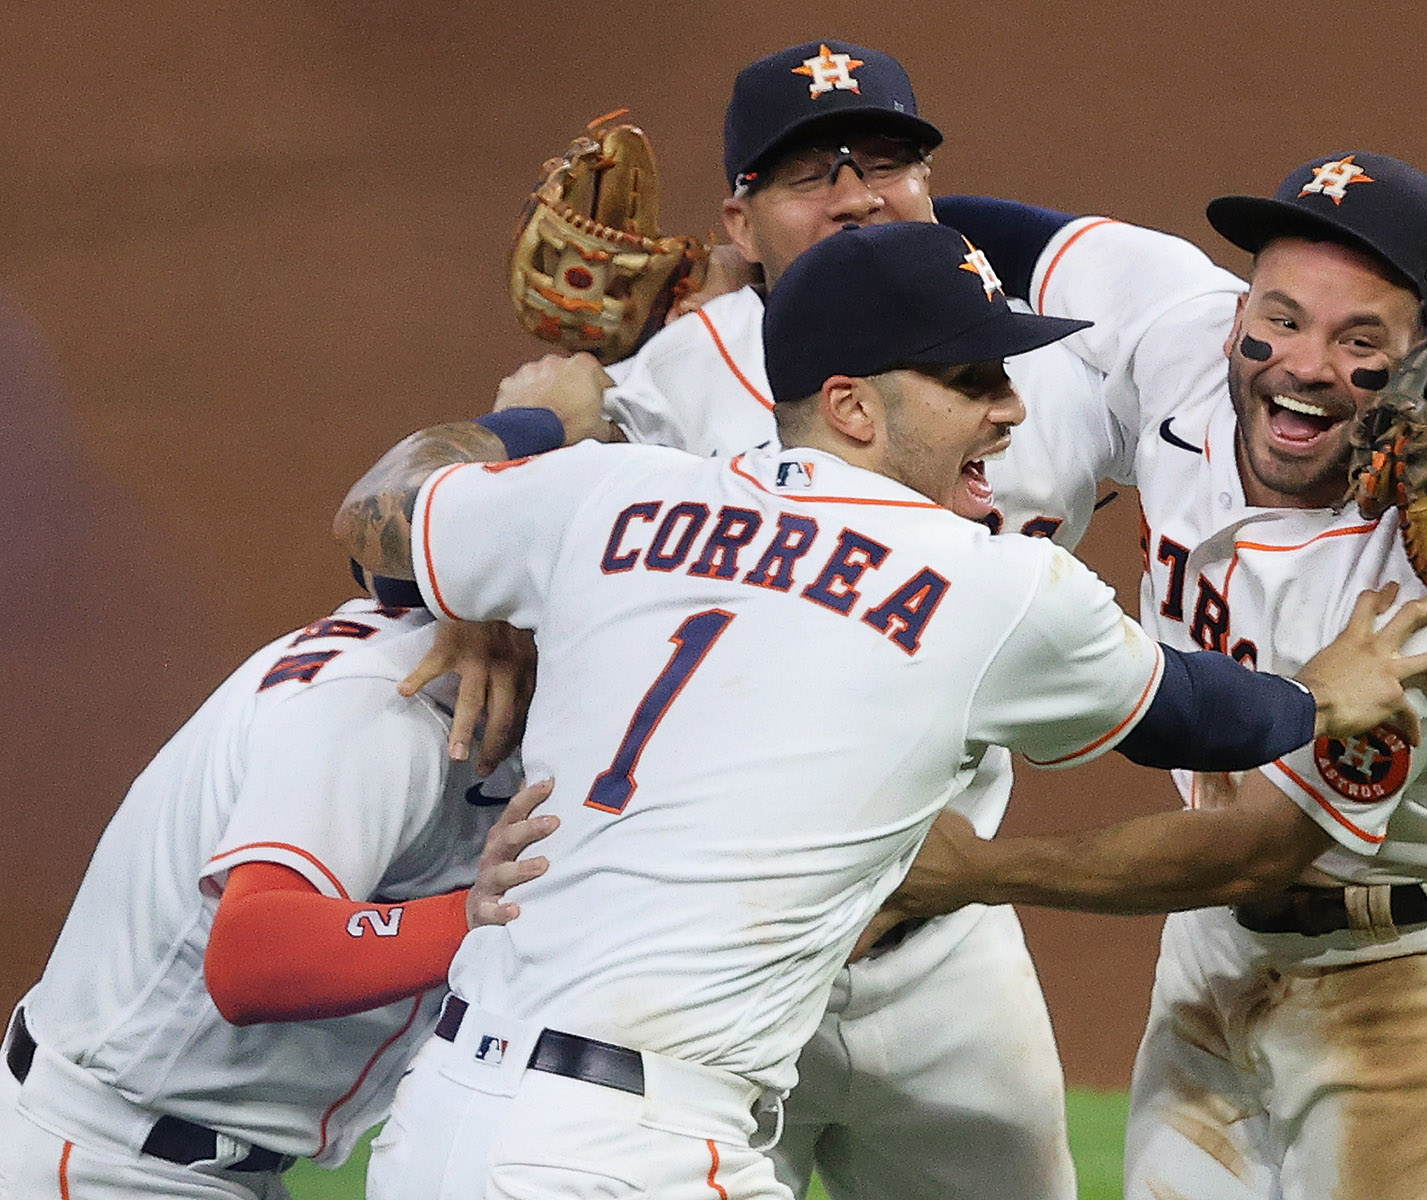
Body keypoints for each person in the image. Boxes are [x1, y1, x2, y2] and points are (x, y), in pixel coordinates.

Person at [333, 220, 1427, 1200]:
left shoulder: (611, 491)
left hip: (444, 1124)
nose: (1012, 409)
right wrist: (1317, 698)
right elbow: (1203, 716)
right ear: (855, 406)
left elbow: (379, 515)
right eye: (972, 379)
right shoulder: (986, 584)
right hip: (636, 1152)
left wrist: (536, 424)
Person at [482, 38, 1249, 1200]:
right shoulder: (663, 392)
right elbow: (522, 535)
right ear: (736, 226)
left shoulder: (1038, 363)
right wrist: (490, 551)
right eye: (808, 175)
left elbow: (1239, 407)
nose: (856, 194)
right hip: (717, 975)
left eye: (888, 161)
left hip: (945, 955)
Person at [878, 156, 1427, 1199]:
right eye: (1282, 319)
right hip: (1219, 957)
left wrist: (973, 871)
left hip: (1417, 991)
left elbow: (1259, 851)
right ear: (1240, 307)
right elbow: (989, 233)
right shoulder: (1180, 330)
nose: (1304, 363)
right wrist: (767, 274)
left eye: (1360, 340)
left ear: (1422, 360)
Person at [0, 597, 552, 1199]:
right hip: (109, 1162)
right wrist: (467, 916)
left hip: (182, 1163)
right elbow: (253, 959)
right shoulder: (386, 706)